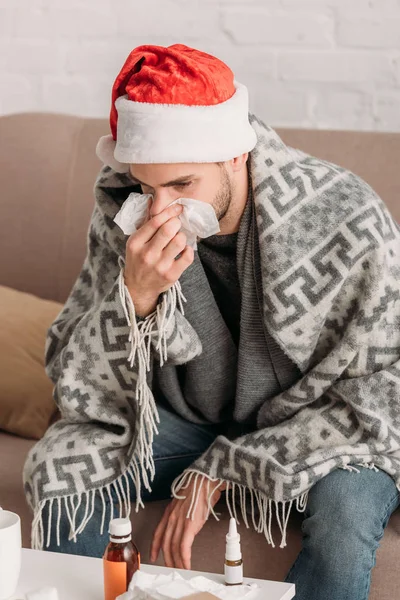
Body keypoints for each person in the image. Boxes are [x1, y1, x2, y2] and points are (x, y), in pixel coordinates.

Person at [23, 43, 400, 600]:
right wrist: (137, 296)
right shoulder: (124, 215)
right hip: (186, 420)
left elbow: (384, 391)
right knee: (61, 470)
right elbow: (77, 380)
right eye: (148, 188)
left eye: (182, 186)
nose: (162, 212)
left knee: (345, 520)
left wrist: (229, 465)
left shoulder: (344, 217)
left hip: (318, 426)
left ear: (234, 155)